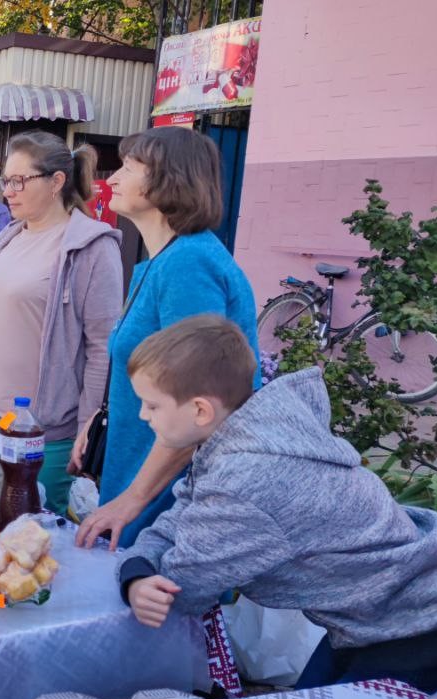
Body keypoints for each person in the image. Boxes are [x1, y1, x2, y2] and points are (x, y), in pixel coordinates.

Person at [117, 314, 437, 693]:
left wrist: (134, 577)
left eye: (151, 406)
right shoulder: (248, 436)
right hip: (376, 614)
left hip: (411, 625)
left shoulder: (246, 479)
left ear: (200, 410)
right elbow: (181, 518)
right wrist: (139, 570)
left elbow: (183, 589)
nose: (143, 415)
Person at [72, 127, 260, 550]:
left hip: (165, 496)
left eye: (128, 167)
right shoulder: (162, 261)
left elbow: (201, 402)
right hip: (139, 471)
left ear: (169, 179)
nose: (112, 179)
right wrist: (102, 416)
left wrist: (131, 500)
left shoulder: (188, 264)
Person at [0, 132, 123, 515]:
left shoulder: (91, 246)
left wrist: (85, 431)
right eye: (6, 179)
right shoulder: (9, 236)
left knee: (26, 541)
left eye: (19, 180)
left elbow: (101, 349)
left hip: (36, 427)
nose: (7, 190)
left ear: (57, 181)